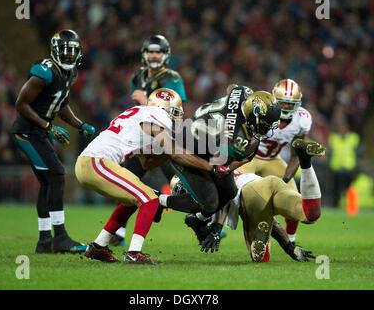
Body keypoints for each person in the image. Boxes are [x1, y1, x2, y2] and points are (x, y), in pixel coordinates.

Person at [75, 88, 218, 264]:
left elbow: (146, 163)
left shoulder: (140, 114)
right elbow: (176, 154)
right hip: (98, 161)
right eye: (175, 113)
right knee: (150, 199)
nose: (176, 118)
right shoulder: (158, 115)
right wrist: (209, 166)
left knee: (133, 199)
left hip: (91, 162)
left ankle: (98, 246)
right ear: (167, 108)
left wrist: (167, 151)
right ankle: (134, 253)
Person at [10, 29, 96, 254]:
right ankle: (60, 238)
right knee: (56, 174)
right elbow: (21, 104)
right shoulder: (44, 72)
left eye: (72, 52)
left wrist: (79, 125)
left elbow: (62, 104)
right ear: (55, 51)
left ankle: (45, 241)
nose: (68, 56)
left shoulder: (70, 74)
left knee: (48, 181)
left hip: (38, 132)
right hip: (27, 132)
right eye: (64, 52)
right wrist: (48, 126)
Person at [156, 86, 282, 236]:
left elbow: (231, 88)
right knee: (209, 202)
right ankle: (159, 200)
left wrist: (231, 112)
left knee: (229, 191)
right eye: (263, 124)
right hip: (189, 150)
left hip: (201, 135)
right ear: (253, 114)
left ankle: (197, 219)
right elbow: (225, 163)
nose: (265, 130)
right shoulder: (236, 139)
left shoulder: (243, 92)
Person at [188, 138, 325, 262]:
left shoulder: (209, 174)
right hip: (270, 182)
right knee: (310, 214)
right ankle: (306, 162)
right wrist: (289, 247)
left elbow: (223, 197)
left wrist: (216, 230)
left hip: (249, 194)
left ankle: (261, 230)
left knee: (261, 258)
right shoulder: (220, 165)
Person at [110, 34, 187, 246]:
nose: (154, 55)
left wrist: (146, 101)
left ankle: (204, 221)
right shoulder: (138, 75)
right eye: (151, 51)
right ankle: (118, 232)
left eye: (158, 51)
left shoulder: (172, 78)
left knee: (183, 180)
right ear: (145, 54)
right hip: (143, 138)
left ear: (165, 54)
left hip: (164, 138)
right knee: (128, 181)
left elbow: (178, 109)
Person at [236, 79, 311, 243]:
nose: (286, 107)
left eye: (291, 105)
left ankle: (290, 239)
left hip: (272, 159)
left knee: (293, 197)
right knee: (234, 191)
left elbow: (296, 155)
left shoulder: (302, 120)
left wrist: (284, 180)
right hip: (250, 157)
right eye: (283, 103)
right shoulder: (263, 108)